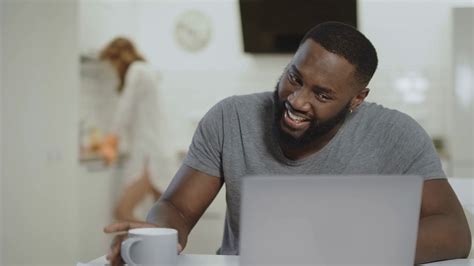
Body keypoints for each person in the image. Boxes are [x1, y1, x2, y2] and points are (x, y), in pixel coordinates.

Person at [104, 22, 471, 265]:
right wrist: (160, 230)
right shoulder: (230, 118)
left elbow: (454, 232)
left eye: (322, 94)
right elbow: (178, 208)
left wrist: (343, 250)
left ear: (357, 98)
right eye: (294, 77)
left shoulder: (398, 135)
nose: (297, 100)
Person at [98, 37, 163, 222]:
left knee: (122, 213)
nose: (113, 67)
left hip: (150, 157)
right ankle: (155, 249)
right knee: (164, 221)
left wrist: (111, 139)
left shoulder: (137, 70)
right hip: (157, 153)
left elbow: (124, 108)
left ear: (120, 57)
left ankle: (142, 247)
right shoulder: (148, 71)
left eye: (113, 61)